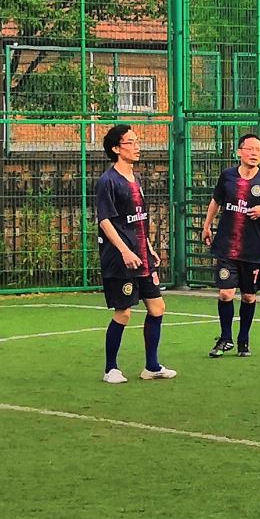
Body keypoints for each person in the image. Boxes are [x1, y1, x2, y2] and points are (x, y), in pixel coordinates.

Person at [96, 123, 176, 384]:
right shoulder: (108, 181)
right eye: (130, 142)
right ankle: (110, 369)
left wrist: (149, 247)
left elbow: (138, 219)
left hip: (142, 257)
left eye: (137, 141)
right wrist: (124, 251)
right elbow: (105, 221)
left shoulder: (136, 179)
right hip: (121, 260)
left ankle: (151, 366)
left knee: (157, 307)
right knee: (124, 312)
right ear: (116, 149)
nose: (137, 146)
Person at [201, 132, 260, 358]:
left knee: (249, 297)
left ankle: (244, 340)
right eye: (250, 149)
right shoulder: (227, 177)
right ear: (239, 152)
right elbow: (216, 201)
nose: (254, 153)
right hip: (226, 247)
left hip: (252, 250)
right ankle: (225, 339)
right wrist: (206, 225)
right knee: (225, 293)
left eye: (258, 150)